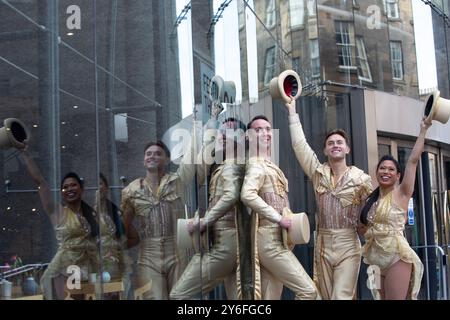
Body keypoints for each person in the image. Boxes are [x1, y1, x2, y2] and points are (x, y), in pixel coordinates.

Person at [120, 111, 216, 299]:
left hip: (177, 251)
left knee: (180, 298)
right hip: (148, 255)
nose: (152, 156)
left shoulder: (178, 181)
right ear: (143, 160)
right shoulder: (131, 191)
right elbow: (123, 228)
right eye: (148, 154)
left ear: (166, 159)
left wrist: (196, 125)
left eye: (158, 154)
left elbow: (190, 160)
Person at [284, 98, 373, 299]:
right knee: (325, 296)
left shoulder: (361, 179)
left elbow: (372, 215)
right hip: (323, 242)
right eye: (330, 143)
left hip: (348, 243)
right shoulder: (318, 173)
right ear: (325, 150)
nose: (335, 145)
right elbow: (300, 146)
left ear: (347, 149)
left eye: (339, 142)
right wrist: (292, 113)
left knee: (340, 296)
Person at [240, 115, 318, 300]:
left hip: (277, 239)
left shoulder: (269, 165)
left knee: (270, 297)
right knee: (309, 292)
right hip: (269, 240)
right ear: (248, 136)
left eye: (267, 129)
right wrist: (279, 218)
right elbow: (247, 194)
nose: (265, 133)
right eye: (258, 130)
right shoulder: (256, 165)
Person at [170, 117, 246, 300]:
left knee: (177, 295)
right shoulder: (225, 164)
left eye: (228, 132)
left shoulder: (233, 165)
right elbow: (198, 174)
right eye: (221, 131)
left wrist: (205, 220)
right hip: (229, 241)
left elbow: (231, 195)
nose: (222, 135)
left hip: (225, 244)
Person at [359, 118, 430, 300]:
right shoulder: (370, 200)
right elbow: (362, 227)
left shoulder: (402, 193)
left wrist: (423, 129)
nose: (386, 172)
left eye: (391, 169)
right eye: (382, 168)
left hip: (397, 257)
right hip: (375, 258)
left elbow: (413, 161)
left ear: (398, 175)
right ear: (377, 172)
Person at [20, 148, 99, 300]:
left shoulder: (91, 214)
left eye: (73, 185)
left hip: (88, 267)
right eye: (65, 187)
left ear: (81, 189)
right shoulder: (58, 212)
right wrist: (24, 153)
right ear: (62, 192)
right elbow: (40, 182)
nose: (69, 188)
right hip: (65, 268)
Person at [95, 173, 132, 299]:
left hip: (114, 258)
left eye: (100, 184)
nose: (97, 188)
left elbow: (123, 237)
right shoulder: (90, 211)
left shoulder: (113, 211)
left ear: (106, 187)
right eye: (94, 185)